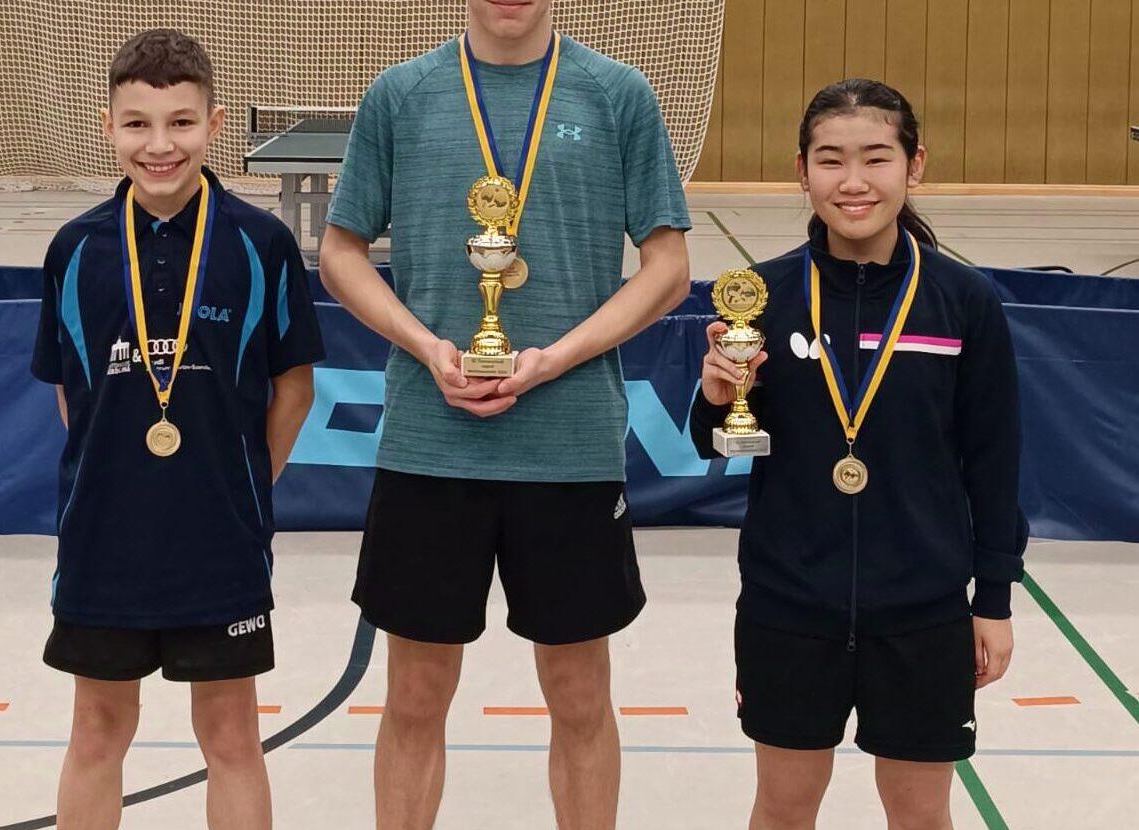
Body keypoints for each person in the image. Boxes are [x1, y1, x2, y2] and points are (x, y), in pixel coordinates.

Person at [319, 0, 691, 826]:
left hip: (569, 448)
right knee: (414, 697)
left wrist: (555, 360)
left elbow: (667, 264)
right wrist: (425, 346)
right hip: (430, 445)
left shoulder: (616, 93)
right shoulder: (400, 94)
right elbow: (339, 250)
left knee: (579, 697)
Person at [690, 79, 1028, 830]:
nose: (851, 182)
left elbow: (994, 460)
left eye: (875, 158)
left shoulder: (962, 301)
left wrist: (993, 600)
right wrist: (717, 397)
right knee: (781, 808)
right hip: (787, 605)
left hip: (922, 609)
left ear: (914, 167)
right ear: (800, 171)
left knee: (918, 814)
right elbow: (713, 443)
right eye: (829, 159)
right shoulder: (762, 295)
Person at [30, 29, 323, 830]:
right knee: (97, 729)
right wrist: (110, 470)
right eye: (137, 124)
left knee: (230, 734)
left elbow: (293, 383)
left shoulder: (260, 244)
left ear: (215, 123)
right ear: (108, 126)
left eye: (181, 123)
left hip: (219, 537)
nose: (159, 145)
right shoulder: (74, 249)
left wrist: (244, 483)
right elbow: (71, 394)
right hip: (102, 536)